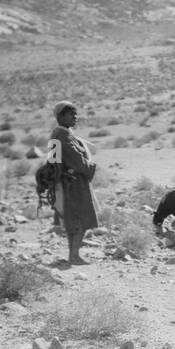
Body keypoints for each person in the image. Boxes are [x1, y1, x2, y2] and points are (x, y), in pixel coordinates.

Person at [49, 100, 100, 265]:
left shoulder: (59, 134)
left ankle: (73, 254)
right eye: (71, 114)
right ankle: (75, 256)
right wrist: (91, 166)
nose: (75, 117)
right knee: (80, 219)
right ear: (61, 116)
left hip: (66, 182)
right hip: (74, 183)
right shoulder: (63, 136)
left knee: (72, 219)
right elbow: (77, 160)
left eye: (76, 114)